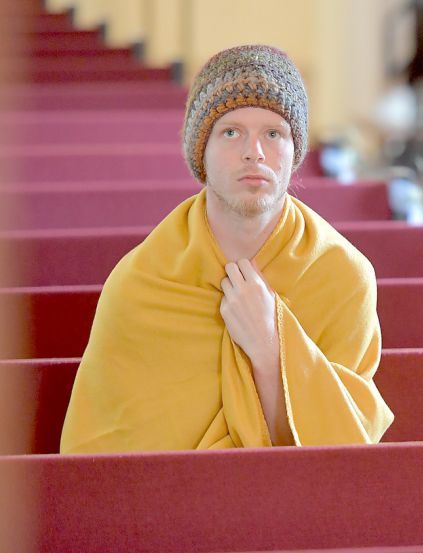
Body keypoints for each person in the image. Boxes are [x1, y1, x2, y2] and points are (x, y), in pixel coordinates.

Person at [61, 44, 394, 453]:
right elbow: (104, 468)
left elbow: (343, 460)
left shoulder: (342, 276)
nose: (254, 152)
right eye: (231, 132)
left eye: (274, 133)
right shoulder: (141, 283)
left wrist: (270, 348)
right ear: (202, 150)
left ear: (295, 152)